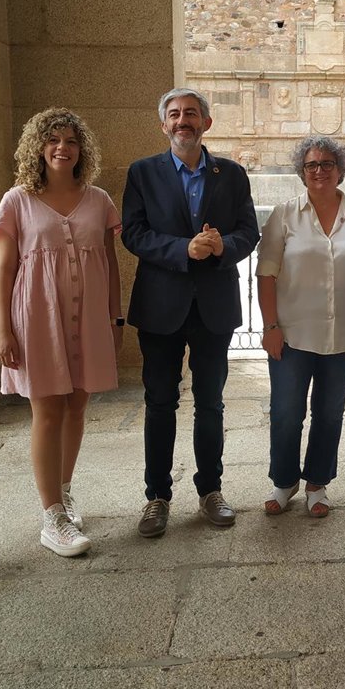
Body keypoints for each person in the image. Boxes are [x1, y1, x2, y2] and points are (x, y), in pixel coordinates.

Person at [122, 88, 260, 537]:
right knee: (160, 402)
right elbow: (134, 234)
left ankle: (210, 490)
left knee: (211, 403)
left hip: (213, 307)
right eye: (175, 114)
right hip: (160, 305)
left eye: (192, 114)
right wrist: (184, 249)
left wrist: (223, 247)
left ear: (206, 123)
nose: (183, 121)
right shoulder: (143, 172)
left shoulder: (231, 174)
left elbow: (249, 231)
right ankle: (157, 497)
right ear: (163, 124)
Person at [0, 109, 122, 556]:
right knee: (47, 411)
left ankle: (63, 493)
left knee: (77, 406)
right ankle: (52, 518)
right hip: (37, 318)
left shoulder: (99, 200)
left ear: (81, 149)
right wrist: (3, 329)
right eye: (52, 140)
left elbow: (110, 264)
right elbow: (5, 269)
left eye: (70, 141)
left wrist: (115, 319)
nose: (62, 148)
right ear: (38, 148)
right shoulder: (17, 200)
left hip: (89, 319)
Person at [256, 136, 345, 517]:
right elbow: (266, 273)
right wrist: (270, 326)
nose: (319, 171)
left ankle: (317, 483)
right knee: (286, 412)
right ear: (302, 171)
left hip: (342, 334)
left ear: (340, 170)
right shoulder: (284, 215)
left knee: (330, 412)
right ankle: (284, 481)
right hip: (292, 333)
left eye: (327, 164)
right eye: (311, 165)